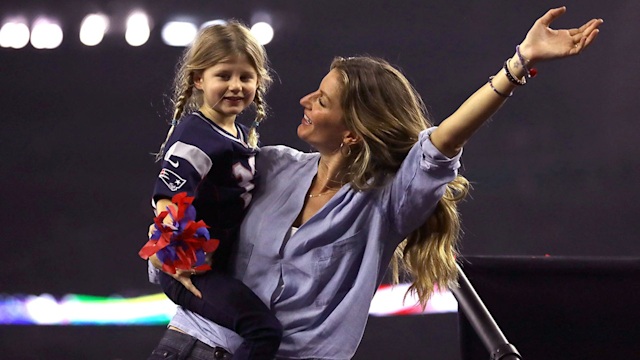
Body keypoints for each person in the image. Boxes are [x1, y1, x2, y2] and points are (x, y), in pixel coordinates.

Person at [147, 7, 603, 359]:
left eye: (321, 99)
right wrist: (167, 244)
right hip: (191, 343)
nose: (304, 100)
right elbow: (184, 194)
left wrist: (518, 64)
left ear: (352, 132)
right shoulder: (271, 165)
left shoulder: (382, 203)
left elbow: (440, 144)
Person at [144, 21, 283, 360]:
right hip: (193, 272)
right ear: (198, 79)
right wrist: (174, 257)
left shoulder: (236, 133)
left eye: (245, 77)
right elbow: (167, 199)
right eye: (224, 75)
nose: (236, 86)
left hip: (216, 265)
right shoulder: (197, 134)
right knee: (264, 329)